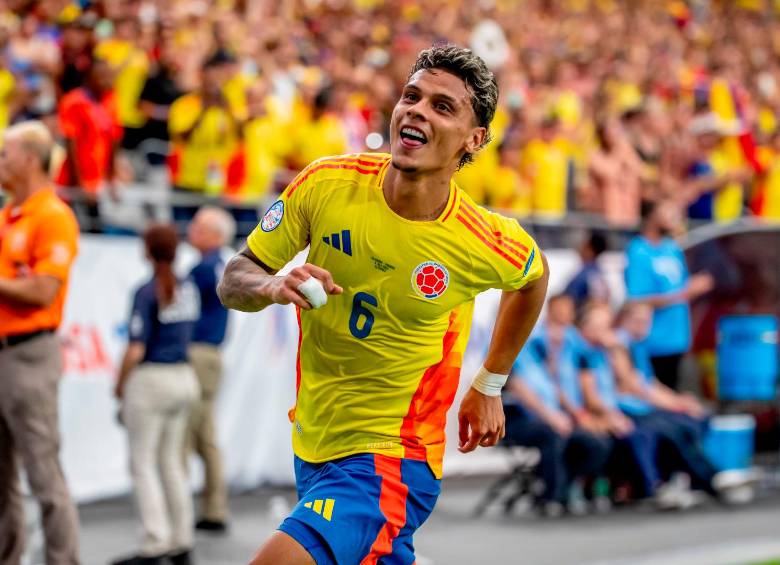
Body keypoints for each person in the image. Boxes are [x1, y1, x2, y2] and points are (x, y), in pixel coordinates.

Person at [218, 45, 549, 565]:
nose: (416, 110)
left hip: (393, 457)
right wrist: (271, 285)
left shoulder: (480, 238)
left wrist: (490, 383)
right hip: (315, 447)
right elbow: (236, 277)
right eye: (410, 96)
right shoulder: (326, 183)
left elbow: (533, 278)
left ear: (474, 139)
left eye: (442, 106)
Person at [0, 121, 80, 565]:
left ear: (31, 160)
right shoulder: (10, 214)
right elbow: (23, 286)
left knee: (42, 474)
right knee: (3, 479)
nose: (1, 163)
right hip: (8, 351)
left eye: (5, 154)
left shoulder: (51, 216)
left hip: (29, 353)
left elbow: (43, 291)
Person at [113, 225, 200, 565]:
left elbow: (135, 348)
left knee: (143, 464)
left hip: (153, 380)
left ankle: (154, 542)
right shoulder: (187, 286)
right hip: (183, 375)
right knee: (172, 462)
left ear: (148, 251)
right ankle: (182, 539)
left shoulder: (147, 291)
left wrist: (120, 384)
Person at [503, 334, 612, 516]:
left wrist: (577, 415)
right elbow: (518, 389)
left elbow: (554, 385)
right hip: (519, 419)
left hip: (553, 415)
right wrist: (551, 417)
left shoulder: (538, 348)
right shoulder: (506, 349)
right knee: (552, 435)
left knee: (596, 442)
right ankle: (551, 497)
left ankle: (567, 487)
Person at [624, 201, 714, 390]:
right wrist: (685, 293)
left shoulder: (672, 248)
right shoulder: (638, 250)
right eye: (667, 208)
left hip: (677, 339)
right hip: (654, 341)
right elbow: (638, 299)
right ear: (651, 216)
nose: (674, 215)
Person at [186, 206, 236, 532]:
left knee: (189, 432)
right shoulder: (221, 266)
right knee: (204, 434)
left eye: (200, 227)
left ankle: (187, 512)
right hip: (211, 354)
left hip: (198, 353)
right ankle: (213, 505)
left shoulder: (203, 270)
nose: (192, 231)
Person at [56, 57, 123, 232]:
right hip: (75, 180)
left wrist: (112, 177)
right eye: (101, 75)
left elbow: (114, 139)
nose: (106, 80)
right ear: (89, 77)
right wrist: (80, 184)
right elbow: (71, 144)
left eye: (108, 75)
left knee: (97, 230)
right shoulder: (73, 101)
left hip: (98, 180)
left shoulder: (111, 100)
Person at [563, 230, 610, 311]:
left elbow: (568, 299)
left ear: (589, 249)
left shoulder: (586, 274)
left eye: (584, 244)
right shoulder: (598, 271)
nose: (580, 246)